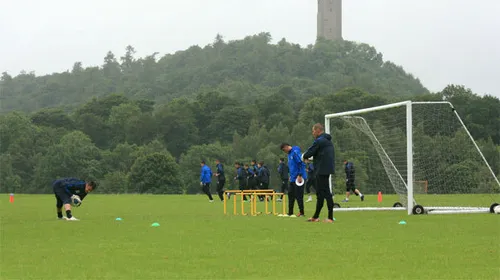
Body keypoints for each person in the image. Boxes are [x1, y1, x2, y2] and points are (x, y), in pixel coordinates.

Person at [302, 123, 336, 223]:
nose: (312, 133)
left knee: (326, 193)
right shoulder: (327, 141)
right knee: (320, 194)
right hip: (324, 169)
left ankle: (330, 218)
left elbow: (309, 152)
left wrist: (304, 157)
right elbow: (321, 155)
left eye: (313, 131)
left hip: (321, 170)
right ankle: (315, 217)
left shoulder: (319, 141)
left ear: (317, 130)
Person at [280, 143, 307, 217]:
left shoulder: (295, 152)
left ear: (286, 147)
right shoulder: (289, 154)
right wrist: (291, 176)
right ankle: (290, 212)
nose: (284, 151)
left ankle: (301, 213)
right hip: (292, 178)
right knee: (290, 195)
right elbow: (292, 167)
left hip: (299, 178)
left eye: (283, 150)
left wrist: (300, 175)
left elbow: (301, 163)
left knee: (299, 195)